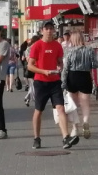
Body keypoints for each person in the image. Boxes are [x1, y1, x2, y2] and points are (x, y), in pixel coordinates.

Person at [28, 21, 78, 149]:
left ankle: (65, 138)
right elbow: (30, 66)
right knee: (39, 110)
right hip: (40, 82)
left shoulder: (57, 45)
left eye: (51, 28)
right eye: (47, 28)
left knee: (61, 108)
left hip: (55, 81)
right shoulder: (37, 46)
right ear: (42, 31)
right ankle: (36, 138)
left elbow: (60, 61)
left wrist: (60, 67)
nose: (49, 31)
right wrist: (44, 71)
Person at [61, 31, 98, 139]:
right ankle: (85, 121)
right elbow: (95, 64)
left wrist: (63, 83)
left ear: (72, 40)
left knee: (73, 105)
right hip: (85, 76)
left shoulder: (69, 51)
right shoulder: (89, 50)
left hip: (72, 77)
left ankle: (75, 128)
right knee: (85, 104)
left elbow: (65, 68)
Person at [22, 35, 40, 106]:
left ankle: (27, 98)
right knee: (33, 85)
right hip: (31, 69)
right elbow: (28, 59)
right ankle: (35, 99)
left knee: (33, 85)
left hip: (36, 68)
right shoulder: (29, 49)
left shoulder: (37, 47)